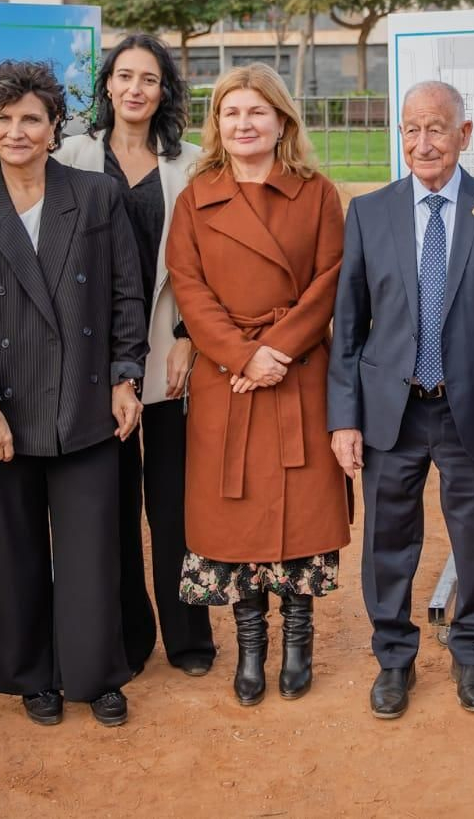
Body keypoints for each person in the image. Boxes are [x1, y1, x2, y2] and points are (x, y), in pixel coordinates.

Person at [328, 81, 474, 719]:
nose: (423, 143)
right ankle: (394, 658)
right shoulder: (370, 213)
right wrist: (345, 418)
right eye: (410, 130)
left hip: (469, 409)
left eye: (436, 129)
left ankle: (472, 652)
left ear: (464, 134)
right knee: (387, 540)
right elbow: (349, 326)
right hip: (390, 412)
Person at [0, 60, 148, 728]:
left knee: (93, 546)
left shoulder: (93, 195)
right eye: (2, 119)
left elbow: (125, 292)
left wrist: (125, 376)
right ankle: (31, 671)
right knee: (10, 548)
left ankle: (96, 672)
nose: (16, 130)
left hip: (87, 400)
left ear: (56, 125)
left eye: (31, 117)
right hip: (1, 407)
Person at [166, 63, 348, 706]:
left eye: (256, 112)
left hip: (298, 374)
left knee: (299, 508)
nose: (243, 124)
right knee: (236, 512)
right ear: (216, 123)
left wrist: (278, 349)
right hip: (228, 379)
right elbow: (188, 287)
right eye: (230, 112)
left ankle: (299, 638)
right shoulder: (195, 197)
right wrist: (242, 356)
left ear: (282, 120)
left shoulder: (318, 192)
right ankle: (250, 646)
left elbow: (331, 280)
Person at [53, 34, 215, 678]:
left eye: (149, 78)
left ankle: (190, 638)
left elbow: (207, 263)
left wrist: (189, 337)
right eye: (124, 76)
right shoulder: (69, 156)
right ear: (108, 86)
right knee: (109, 505)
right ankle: (125, 637)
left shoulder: (194, 165)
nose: (135, 89)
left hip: (170, 351)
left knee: (173, 505)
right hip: (93, 361)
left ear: (164, 91)